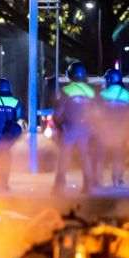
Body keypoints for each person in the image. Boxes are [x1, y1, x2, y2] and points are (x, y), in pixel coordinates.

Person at [53, 61, 96, 194]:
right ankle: (88, 186)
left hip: (69, 128)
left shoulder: (66, 91)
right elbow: (96, 113)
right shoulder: (90, 91)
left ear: (70, 74)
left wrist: (59, 125)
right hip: (85, 129)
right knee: (85, 156)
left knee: (64, 157)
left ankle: (59, 187)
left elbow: (58, 112)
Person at [94, 68, 129, 187]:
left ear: (110, 80)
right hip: (119, 130)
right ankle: (118, 179)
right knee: (118, 156)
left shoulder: (102, 94)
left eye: (106, 79)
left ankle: (98, 179)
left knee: (99, 155)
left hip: (103, 130)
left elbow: (95, 113)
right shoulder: (126, 94)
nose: (104, 82)